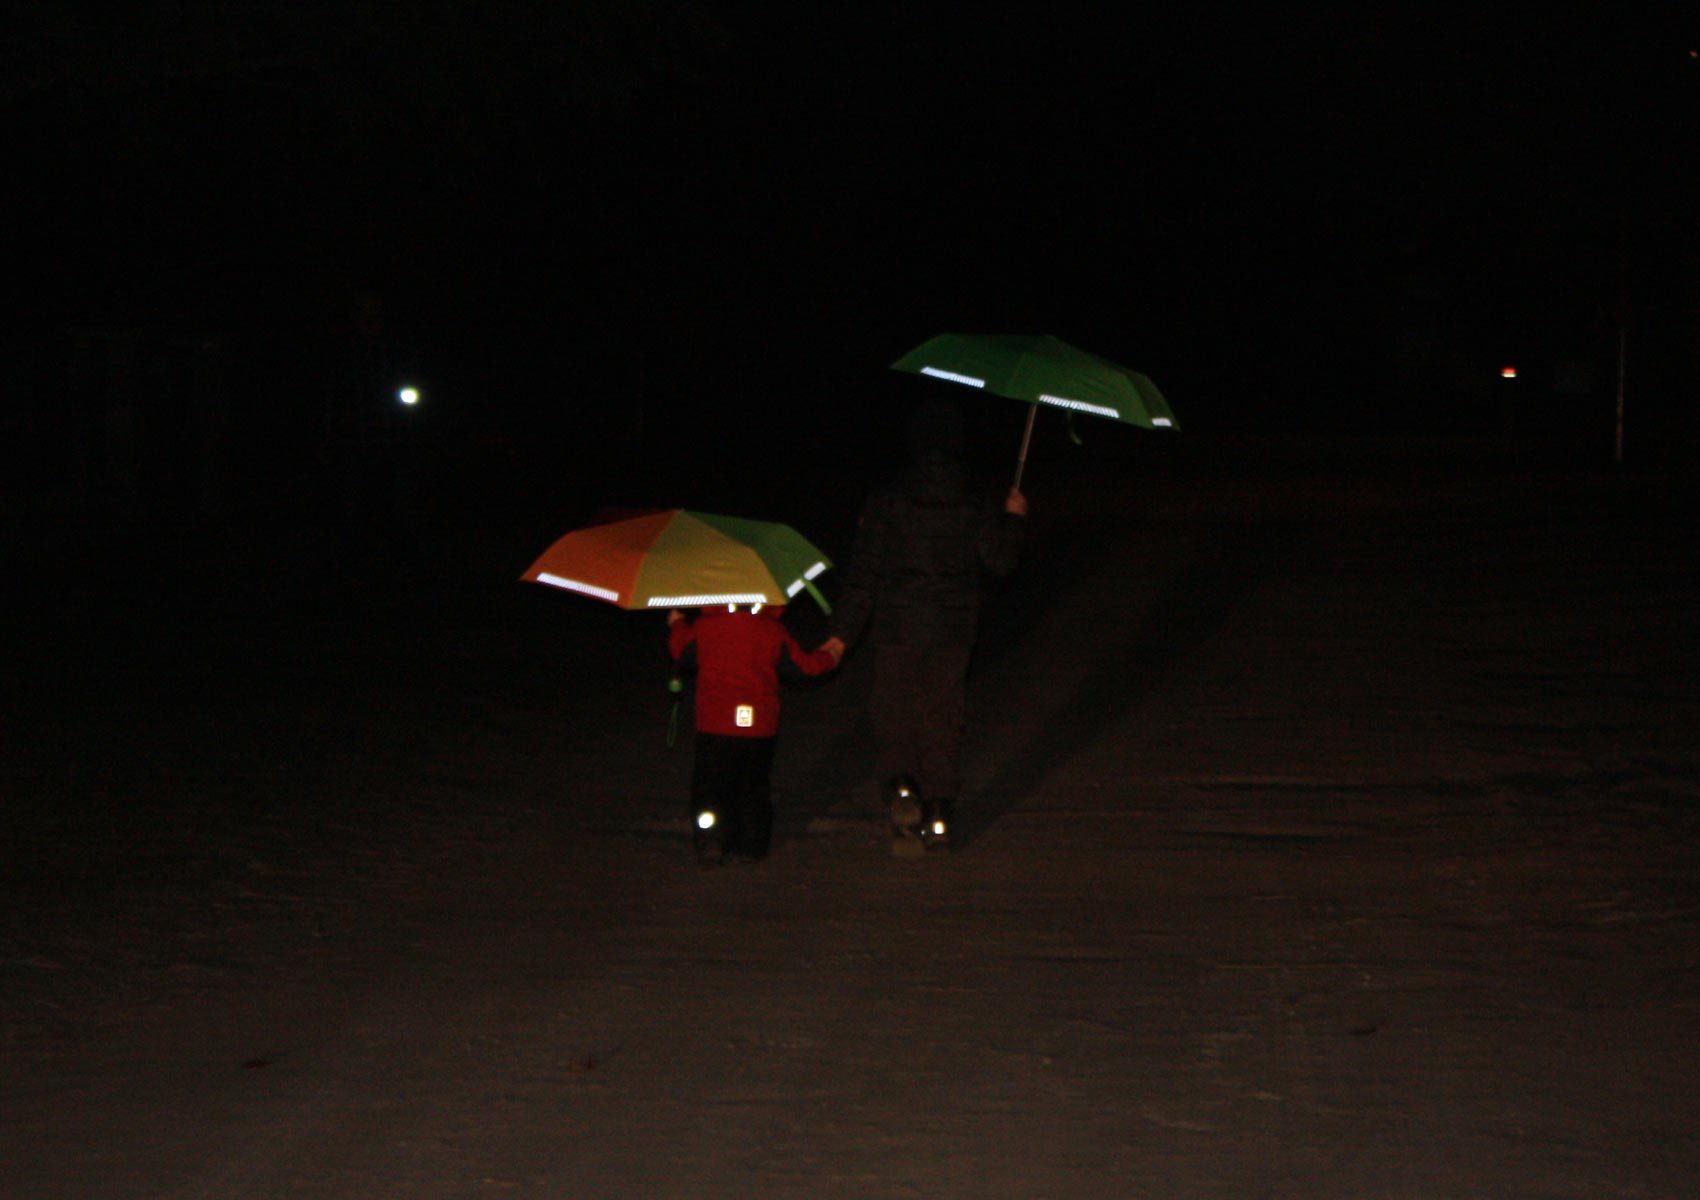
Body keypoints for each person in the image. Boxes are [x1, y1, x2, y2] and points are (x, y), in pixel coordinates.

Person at [821, 396, 1027, 854]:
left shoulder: (888, 498)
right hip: (952, 630)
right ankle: (937, 810)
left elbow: (864, 571)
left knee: (894, 711)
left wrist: (842, 634)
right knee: (942, 716)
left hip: (897, 625)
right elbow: (1001, 562)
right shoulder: (975, 500)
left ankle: (901, 787)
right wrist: (1013, 518)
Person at [668, 603, 843, 865]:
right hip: (759, 726)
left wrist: (677, 624)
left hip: (715, 724)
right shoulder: (771, 629)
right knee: (753, 785)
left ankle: (711, 840)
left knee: (711, 786)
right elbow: (802, 667)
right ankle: (752, 845)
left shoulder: (705, 627)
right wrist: (830, 655)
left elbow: (682, 653)